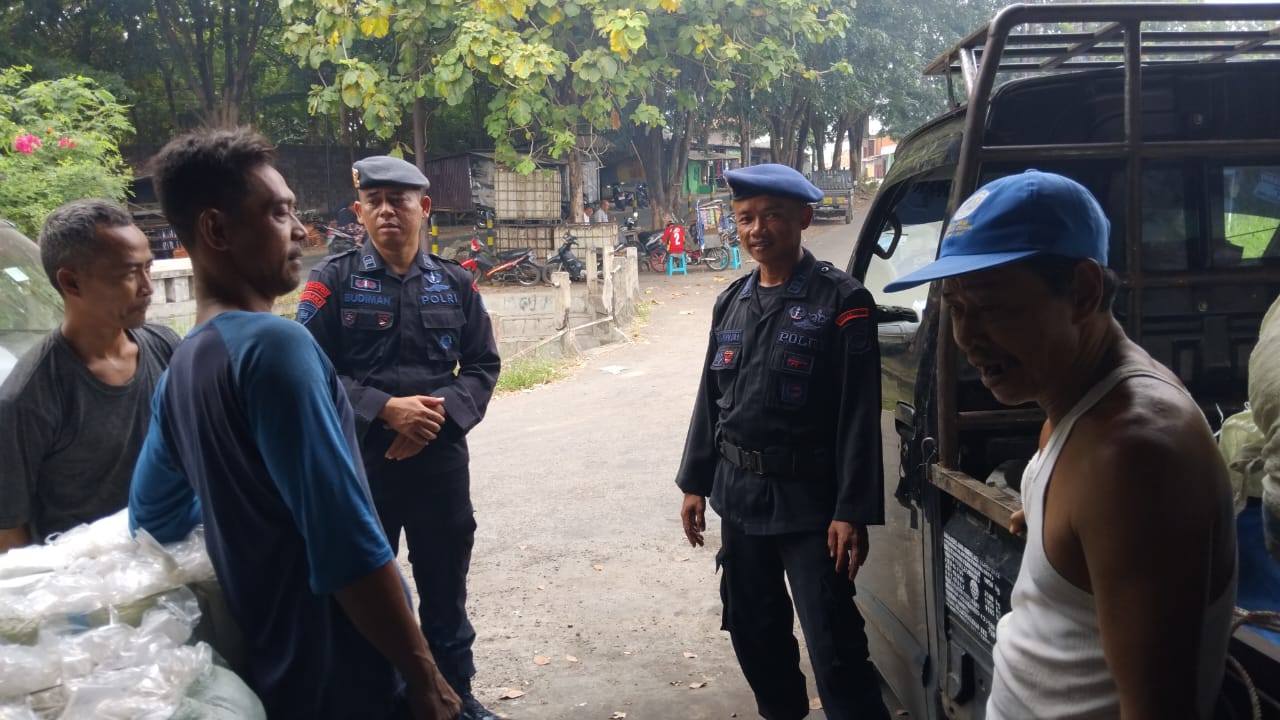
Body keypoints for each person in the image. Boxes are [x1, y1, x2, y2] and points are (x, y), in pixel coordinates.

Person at [128, 128, 461, 720]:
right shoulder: (275, 347)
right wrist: (423, 673)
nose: (301, 231)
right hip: (348, 664)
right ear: (217, 230)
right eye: (279, 213)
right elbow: (345, 542)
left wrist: (252, 522)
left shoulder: (184, 364)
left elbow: (152, 517)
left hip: (275, 660)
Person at [883, 170, 1237, 720]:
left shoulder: (1132, 456)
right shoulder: (1079, 405)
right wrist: (1054, 517)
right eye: (956, 308)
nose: (967, 337)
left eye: (992, 307)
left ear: (1083, 291)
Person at [675, 163, 890, 720]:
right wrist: (695, 482)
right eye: (745, 218)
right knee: (755, 634)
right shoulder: (732, 301)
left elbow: (858, 414)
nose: (757, 229)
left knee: (835, 646)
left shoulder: (842, 301)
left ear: (804, 218)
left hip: (811, 506)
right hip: (740, 499)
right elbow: (711, 400)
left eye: (772, 215)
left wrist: (851, 510)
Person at [299, 155, 501, 720]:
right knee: (365, 587)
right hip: (362, 465)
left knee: (445, 588)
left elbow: (483, 366)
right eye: (375, 201)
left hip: (441, 464)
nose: (387, 210)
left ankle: (456, 695)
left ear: (424, 207)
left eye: (399, 200)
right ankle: (377, 700)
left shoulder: (456, 282)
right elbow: (309, 370)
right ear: (359, 211)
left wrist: (436, 419)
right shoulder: (332, 280)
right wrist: (385, 409)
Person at [0, 200, 179, 553]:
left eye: (148, 268)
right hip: (89, 580)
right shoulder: (28, 397)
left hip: (177, 563)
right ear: (71, 282)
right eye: (129, 273)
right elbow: (9, 535)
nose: (147, 287)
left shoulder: (168, 348)